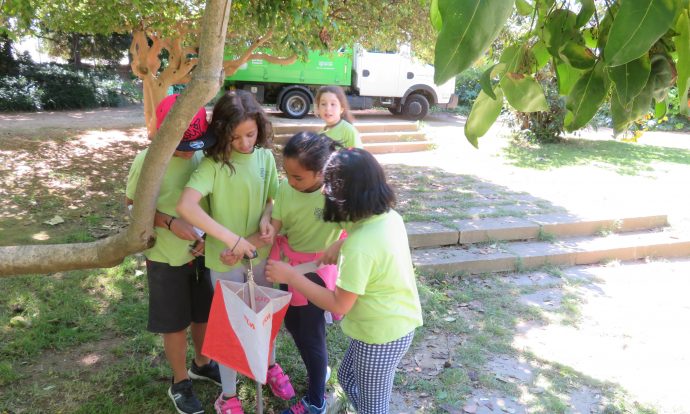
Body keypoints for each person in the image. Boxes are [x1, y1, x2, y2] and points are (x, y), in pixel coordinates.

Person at [265, 148, 423, 413]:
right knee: (348, 378)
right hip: (389, 323)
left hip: (381, 337)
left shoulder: (359, 247)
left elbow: (339, 304)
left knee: (374, 409)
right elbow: (372, 246)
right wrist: (339, 246)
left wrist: (292, 276)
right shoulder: (388, 217)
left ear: (343, 199)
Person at [176, 89, 294, 414]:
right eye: (235, 137)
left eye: (250, 135)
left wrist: (268, 217)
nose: (244, 143)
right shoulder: (213, 165)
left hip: (261, 256)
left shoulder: (265, 158)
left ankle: (268, 365)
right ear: (222, 132)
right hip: (225, 261)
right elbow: (186, 206)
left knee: (264, 317)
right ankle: (228, 395)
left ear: (260, 128)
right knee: (231, 328)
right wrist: (231, 240)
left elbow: (273, 199)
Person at [125, 93, 221, 414]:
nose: (188, 152)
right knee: (174, 323)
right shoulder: (147, 161)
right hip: (165, 257)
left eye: (194, 145)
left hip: (202, 254)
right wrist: (168, 222)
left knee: (203, 314)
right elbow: (132, 206)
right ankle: (179, 381)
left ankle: (202, 363)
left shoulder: (203, 156)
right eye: (181, 145)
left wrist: (209, 237)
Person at [268, 132, 343, 414]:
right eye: (287, 174)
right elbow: (277, 221)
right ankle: (318, 369)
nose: (290, 181)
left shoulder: (335, 196)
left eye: (298, 177)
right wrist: (269, 228)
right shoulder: (286, 188)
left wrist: (340, 243)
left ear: (321, 172)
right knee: (293, 325)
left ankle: (316, 401)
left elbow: (361, 229)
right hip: (287, 266)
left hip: (315, 272)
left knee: (311, 334)